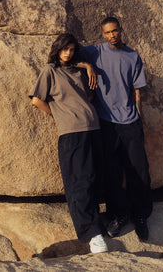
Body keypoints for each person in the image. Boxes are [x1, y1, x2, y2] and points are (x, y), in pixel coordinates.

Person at [29, 33, 108, 254]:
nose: (68, 53)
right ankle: (92, 235)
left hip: (93, 129)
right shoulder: (49, 71)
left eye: (72, 49)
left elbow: (88, 97)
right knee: (79, 184)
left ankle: (97, 227)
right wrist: (58, 115)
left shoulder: (79, 71)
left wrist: (88, 66)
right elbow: (36, 100)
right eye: (65, 49)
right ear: (57, 49)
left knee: (93, 181)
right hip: (71, 134)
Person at [79, 16, 152, 241]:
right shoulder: (95, 52)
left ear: (121, 30)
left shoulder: (133, 55)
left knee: (138, 171)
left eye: (115, 31)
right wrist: (88, 66)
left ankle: (140, 216)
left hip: (130, 122)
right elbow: (67, 59)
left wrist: (140, 118)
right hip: (106, 122)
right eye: (108, 32)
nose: (112, 35)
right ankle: (118, 215)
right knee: (111, 173)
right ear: (103, 34)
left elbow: (137, 91)